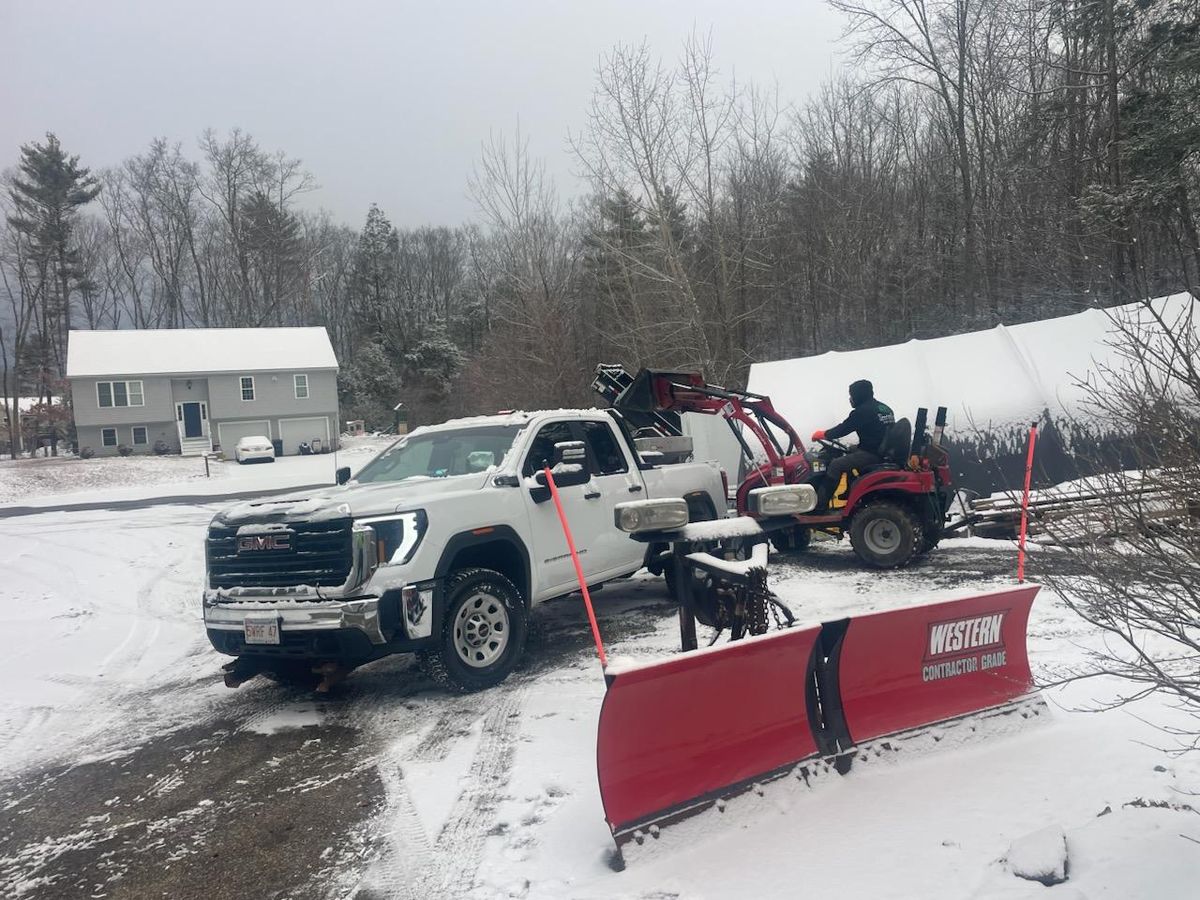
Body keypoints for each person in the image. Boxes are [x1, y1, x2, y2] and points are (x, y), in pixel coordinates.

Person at [810, 379, 895, 510]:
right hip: (883, 449)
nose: (850, 399)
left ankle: (819, 505)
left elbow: (843, 429)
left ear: (859, 395)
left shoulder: (863, 411)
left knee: (835, 465)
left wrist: (823, 434)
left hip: (872, 453)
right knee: (848, 451)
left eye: (852, 395)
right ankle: (849, 493)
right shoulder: (884, 408)